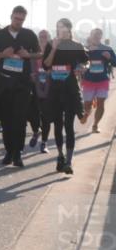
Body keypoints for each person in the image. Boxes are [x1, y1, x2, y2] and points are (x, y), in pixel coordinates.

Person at [0, 6, 40, 166]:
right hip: (4, 82)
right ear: (11, 17)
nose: (18, 22)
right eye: (16, 19)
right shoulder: (0, 35)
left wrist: (28, 55)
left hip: (22, 84)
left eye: (21, 19)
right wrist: (3, 54)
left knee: (20, 119)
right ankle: (9, 151)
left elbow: (40, 53)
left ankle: (17, 153)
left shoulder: (29, 35)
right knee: (6, 118)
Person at [43, 19, 89, 174]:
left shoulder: (77, 46)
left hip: (70, 89)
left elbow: (86, 62)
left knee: (69, 125)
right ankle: (60, 155)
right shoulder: (51, 44)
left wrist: (82, 67)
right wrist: (54, 48)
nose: (60, 31)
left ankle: (69, 161)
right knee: (57, 125)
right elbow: (47, 64)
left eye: (63, 28)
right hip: (55, 89)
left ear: (69, 29)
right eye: (58, 28)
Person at [81, 27, 115, 133]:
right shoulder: (85, 49)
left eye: (99, 34)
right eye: (95, 34)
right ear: (91, 36)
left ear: (101, 36)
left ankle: (95, 125)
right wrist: (80, 66)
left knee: (101, 104)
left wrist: (110, 57)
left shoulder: (107, 48)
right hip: (88, 80)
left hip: (102, 81)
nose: (97, 36)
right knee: (87, 104)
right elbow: (77, 62)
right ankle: (87, 113)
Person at [32, 30, 52, 153]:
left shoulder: (54, 51)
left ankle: (44, 143)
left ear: (49, 38)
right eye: (41, 36)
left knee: (46, 116)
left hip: (49, 86)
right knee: (33, 113)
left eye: (45, 36)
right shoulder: (34, 50)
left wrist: (52, 71)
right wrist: (31, 73)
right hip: (34, 85)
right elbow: (28, 63)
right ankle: (35, 131)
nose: (43, 38)